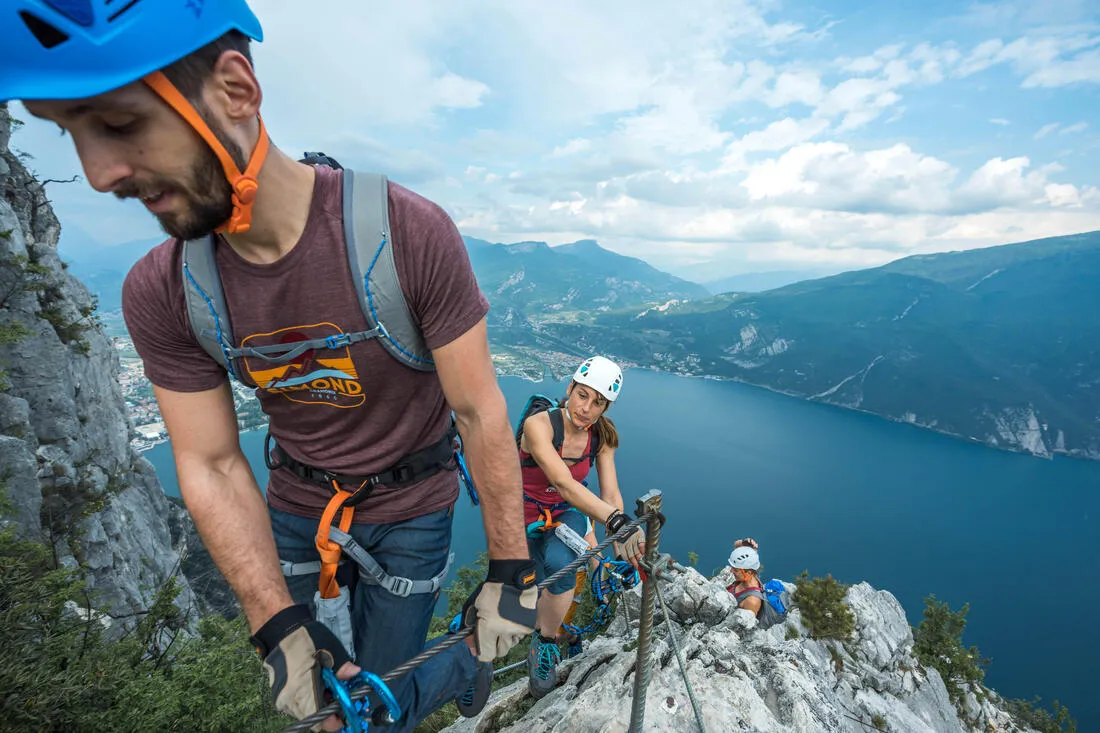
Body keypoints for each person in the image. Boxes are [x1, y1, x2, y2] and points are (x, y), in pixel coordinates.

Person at [1, 3, 538, 731]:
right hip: (294, 507)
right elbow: (213, 462)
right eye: (71, 133)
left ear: (236, 90)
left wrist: (509, 570)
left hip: (413, 507)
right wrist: (270, 618)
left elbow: (478, 411)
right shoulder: (162, 290)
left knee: (376, 705)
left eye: (120, 124)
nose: (99, 174)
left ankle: (458, 662)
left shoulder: (407, 234)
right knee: (319, 709)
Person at [516, 356, 644, 698]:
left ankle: (543, 645)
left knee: (562, 567)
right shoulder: (539, 425)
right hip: (522, 513)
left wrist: (622, 550)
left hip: (565, 513)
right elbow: (562, 482)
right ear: (569, 388)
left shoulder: (602, 437)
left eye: (598, 402)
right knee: (518, 589)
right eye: (582, 395)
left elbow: (611, 492)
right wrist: (617, 521)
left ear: (606, 407)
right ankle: (555, 635)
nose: (586, 408)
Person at [726, 542, 766, 617]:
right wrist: (744, 543)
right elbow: (736, 545)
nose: (731, 571)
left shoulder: (752, 601)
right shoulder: (747, 576)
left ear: (748, 572)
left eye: (735, 570)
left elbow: (744, 626)